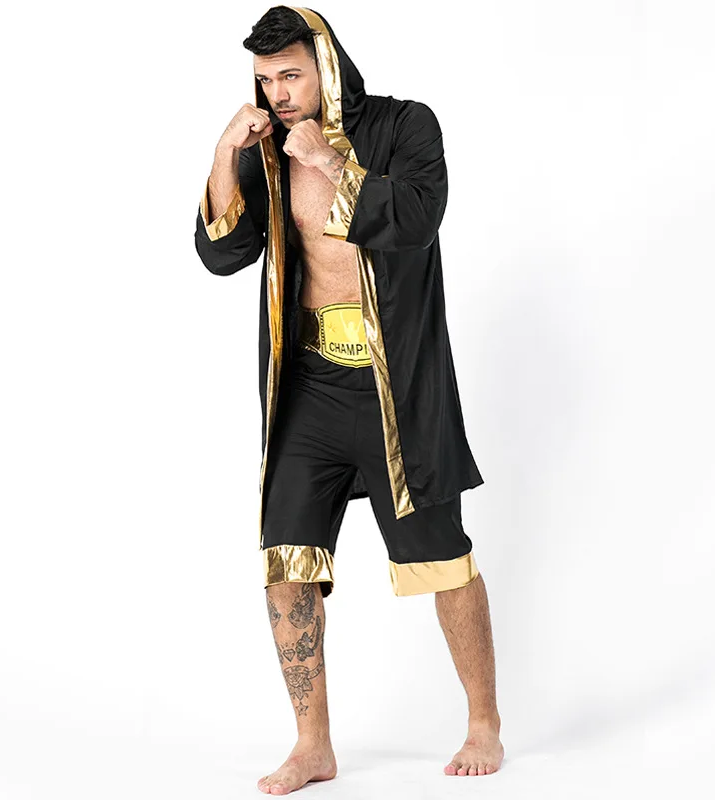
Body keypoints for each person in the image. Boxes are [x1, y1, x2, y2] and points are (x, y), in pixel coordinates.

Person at [194, 5, 504, 794]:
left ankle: (484, 722)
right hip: (308, 388)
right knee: (285, 566)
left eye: (290, 75)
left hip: (395, 384)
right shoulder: (267, 152)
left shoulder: (405, 126)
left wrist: (332, 164)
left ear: (326, 66)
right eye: (266, 80)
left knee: (441, 559)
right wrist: (225, 153)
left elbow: (418, 218)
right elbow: (223, 254)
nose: (278, 94)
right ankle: (313, 745)